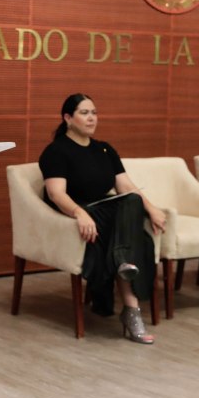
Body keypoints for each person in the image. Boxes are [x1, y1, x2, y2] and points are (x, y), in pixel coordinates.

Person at [38, 94, 166, 343]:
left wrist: (151, 208)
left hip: (106, 212)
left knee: (132, 201)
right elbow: (56, 194)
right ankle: (131, 309)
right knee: (136, 237)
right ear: (68, 118)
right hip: (83, 211)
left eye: (94, 113)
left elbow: (126, 186)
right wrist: (79, 213)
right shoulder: (56, 151)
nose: (91, 118)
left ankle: (123, 265)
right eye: (84, 113)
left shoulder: (105, 149)